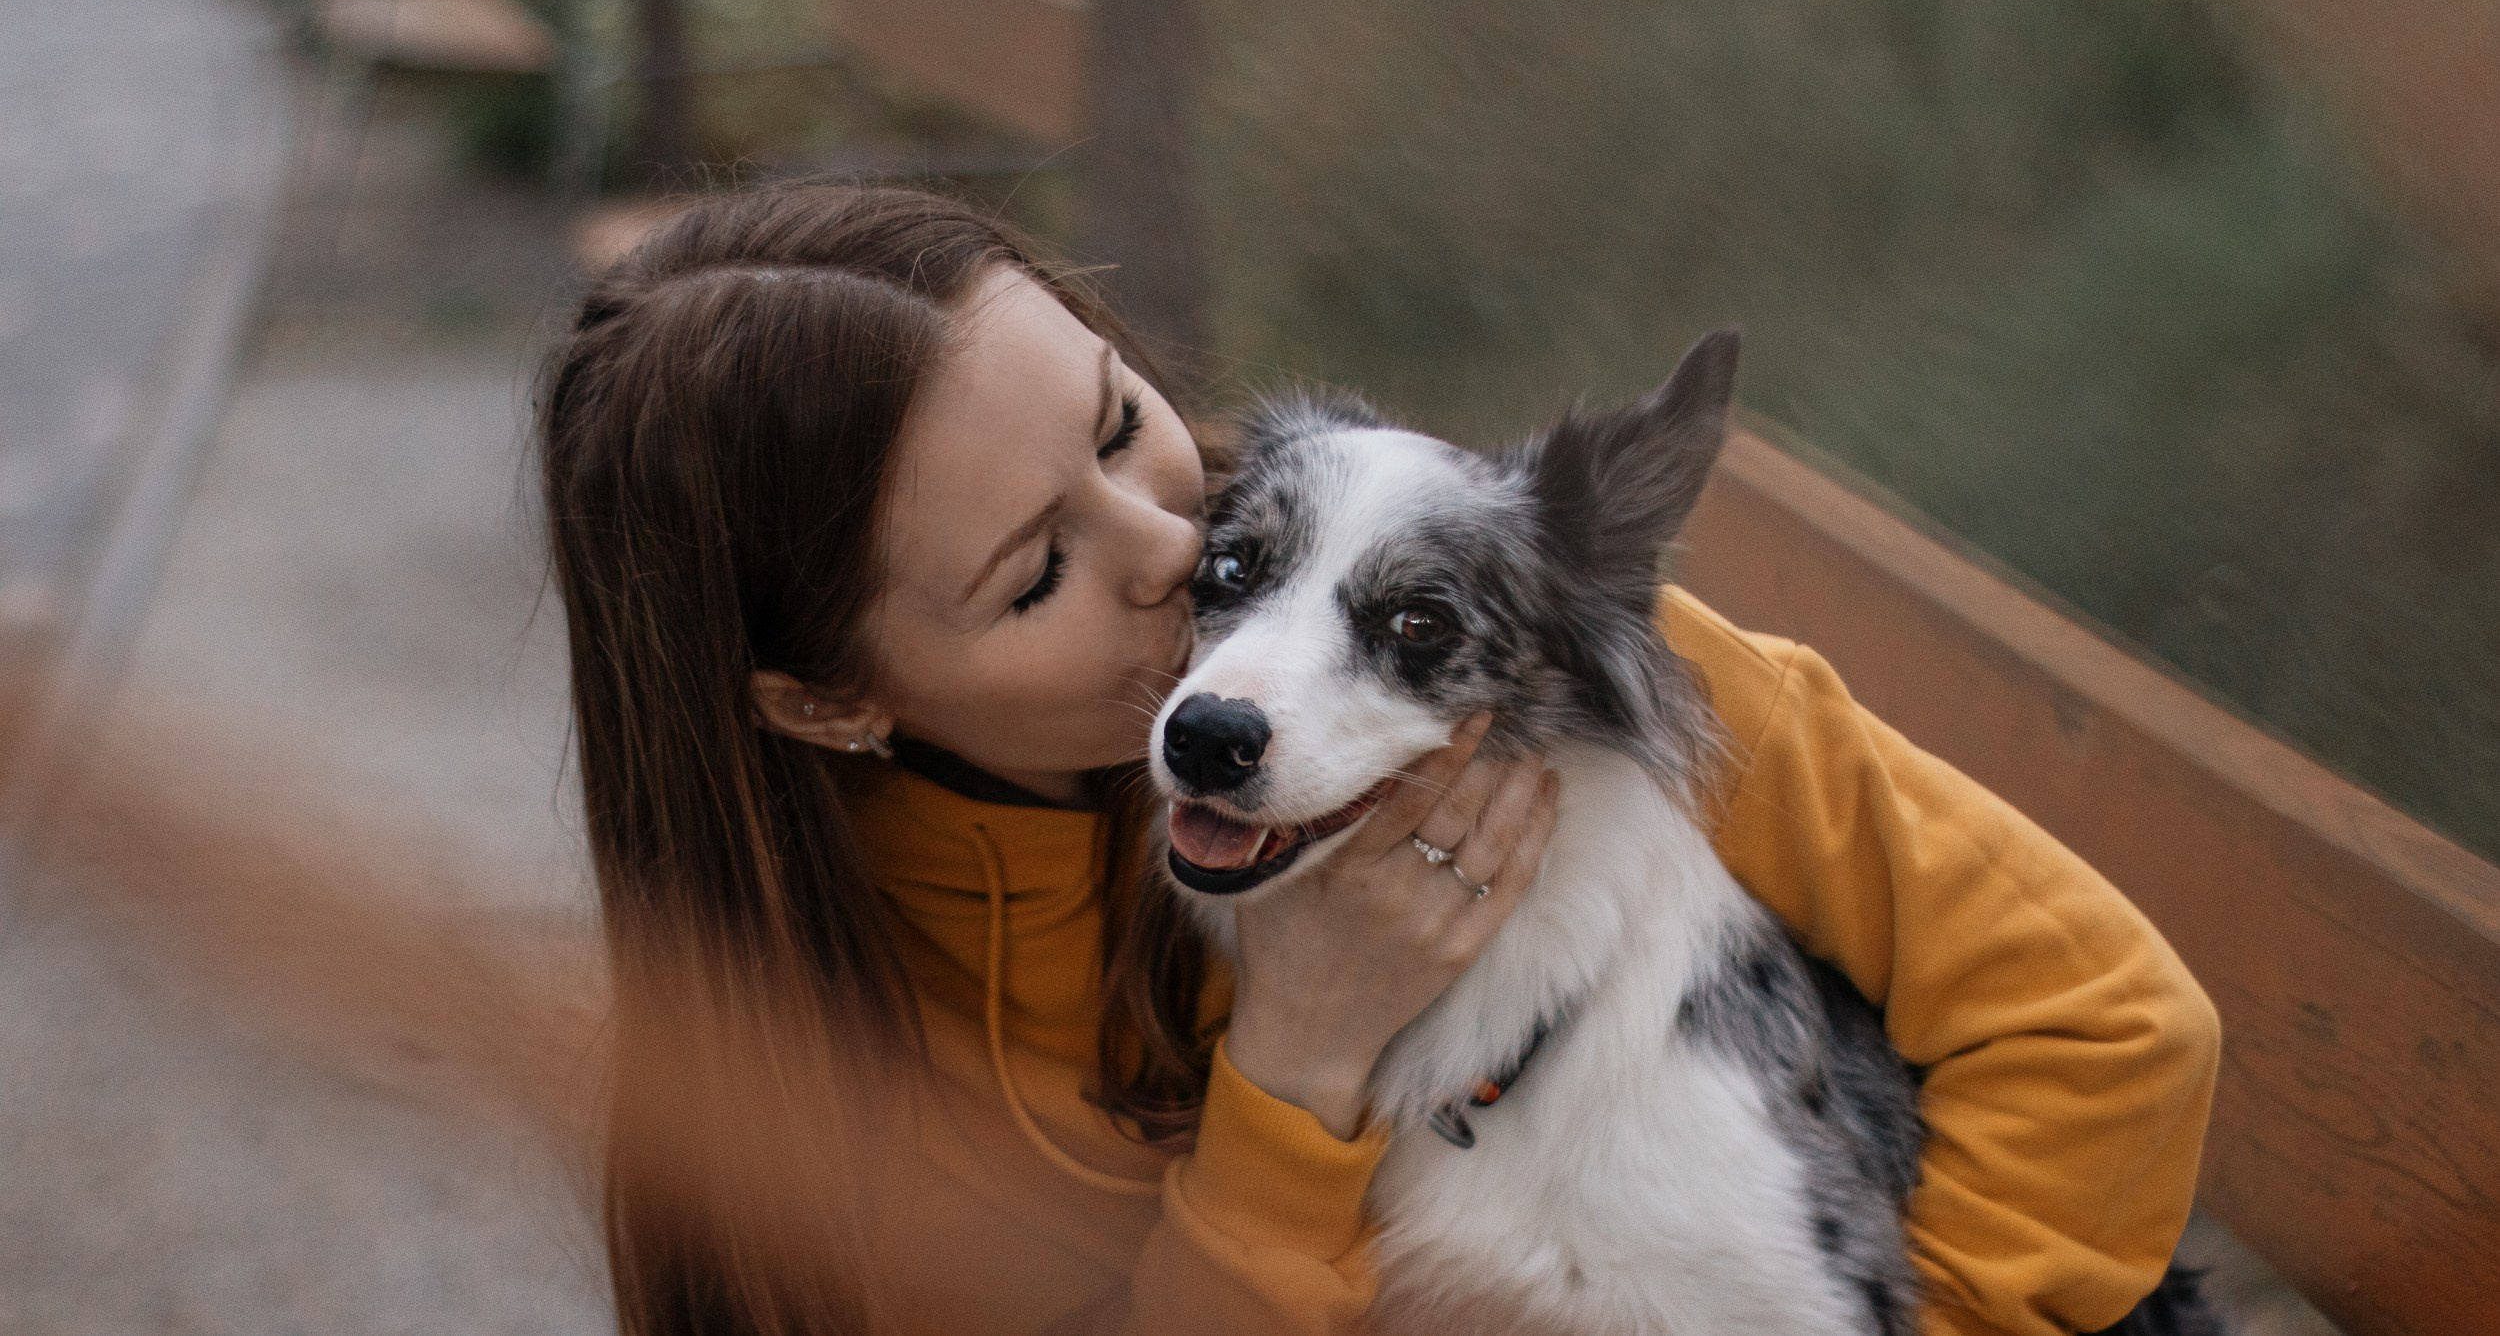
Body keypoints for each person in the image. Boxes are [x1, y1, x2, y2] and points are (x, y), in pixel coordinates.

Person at [537, 181, 2219, 1336]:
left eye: (1124, 421)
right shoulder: (823, 1087)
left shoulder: (1529, 651)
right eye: (1034, 571)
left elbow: (2107, 1019)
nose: (1172, 551)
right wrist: (1302, 1056)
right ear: (825, 699)